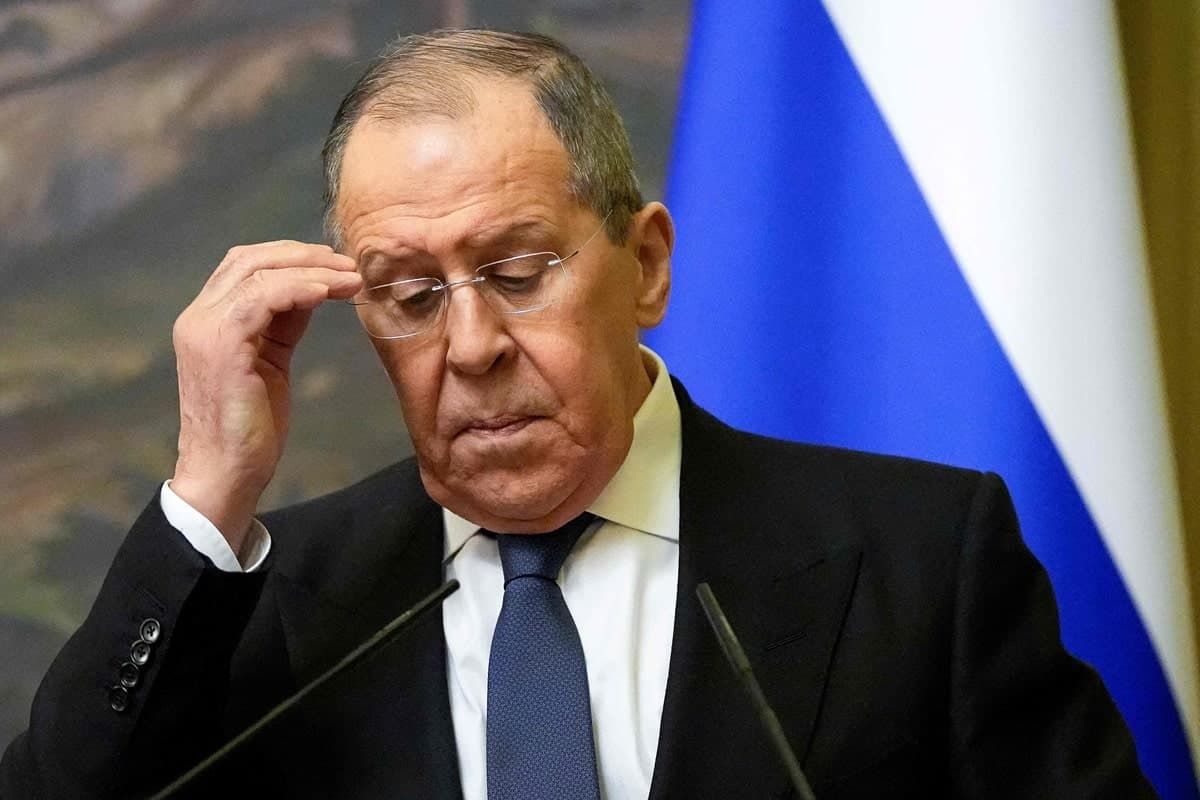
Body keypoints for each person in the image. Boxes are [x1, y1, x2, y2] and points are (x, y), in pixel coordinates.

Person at [0, 28, 1155, 800]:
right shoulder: (275, 599)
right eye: (409, 295)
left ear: (645, 265)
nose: (471, 346)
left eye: (516, 272)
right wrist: (208, 485)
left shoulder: (921, 556)